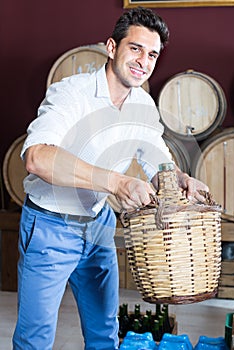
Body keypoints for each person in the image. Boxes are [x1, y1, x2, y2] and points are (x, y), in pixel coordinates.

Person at [13, 6, 209, 350]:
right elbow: (37, 157)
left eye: (152, 54)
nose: (143, 61)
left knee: (105, 334)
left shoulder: (144, 105)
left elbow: (157, 160)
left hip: (99, 225)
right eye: (135, 48)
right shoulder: (71, 93)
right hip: (50, 228)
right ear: (112, 47)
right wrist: (117, 183)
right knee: (35, 339)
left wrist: (179, 178)